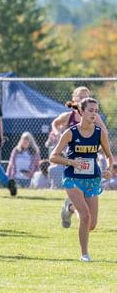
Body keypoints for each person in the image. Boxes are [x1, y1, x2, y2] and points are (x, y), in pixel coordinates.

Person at [50, 97, 113, 262]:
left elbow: (109, 156)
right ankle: (84, 254)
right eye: (91, 110)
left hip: (92, 179)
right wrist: (71, 162)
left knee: (91, 224)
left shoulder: (100, 133)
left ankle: (70, 208)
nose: (94, 114)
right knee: (85, 216)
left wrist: (108, 168)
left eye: (96, 111)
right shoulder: (70, 132)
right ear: (82, 112)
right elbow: (53, 157)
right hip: (73, 178)